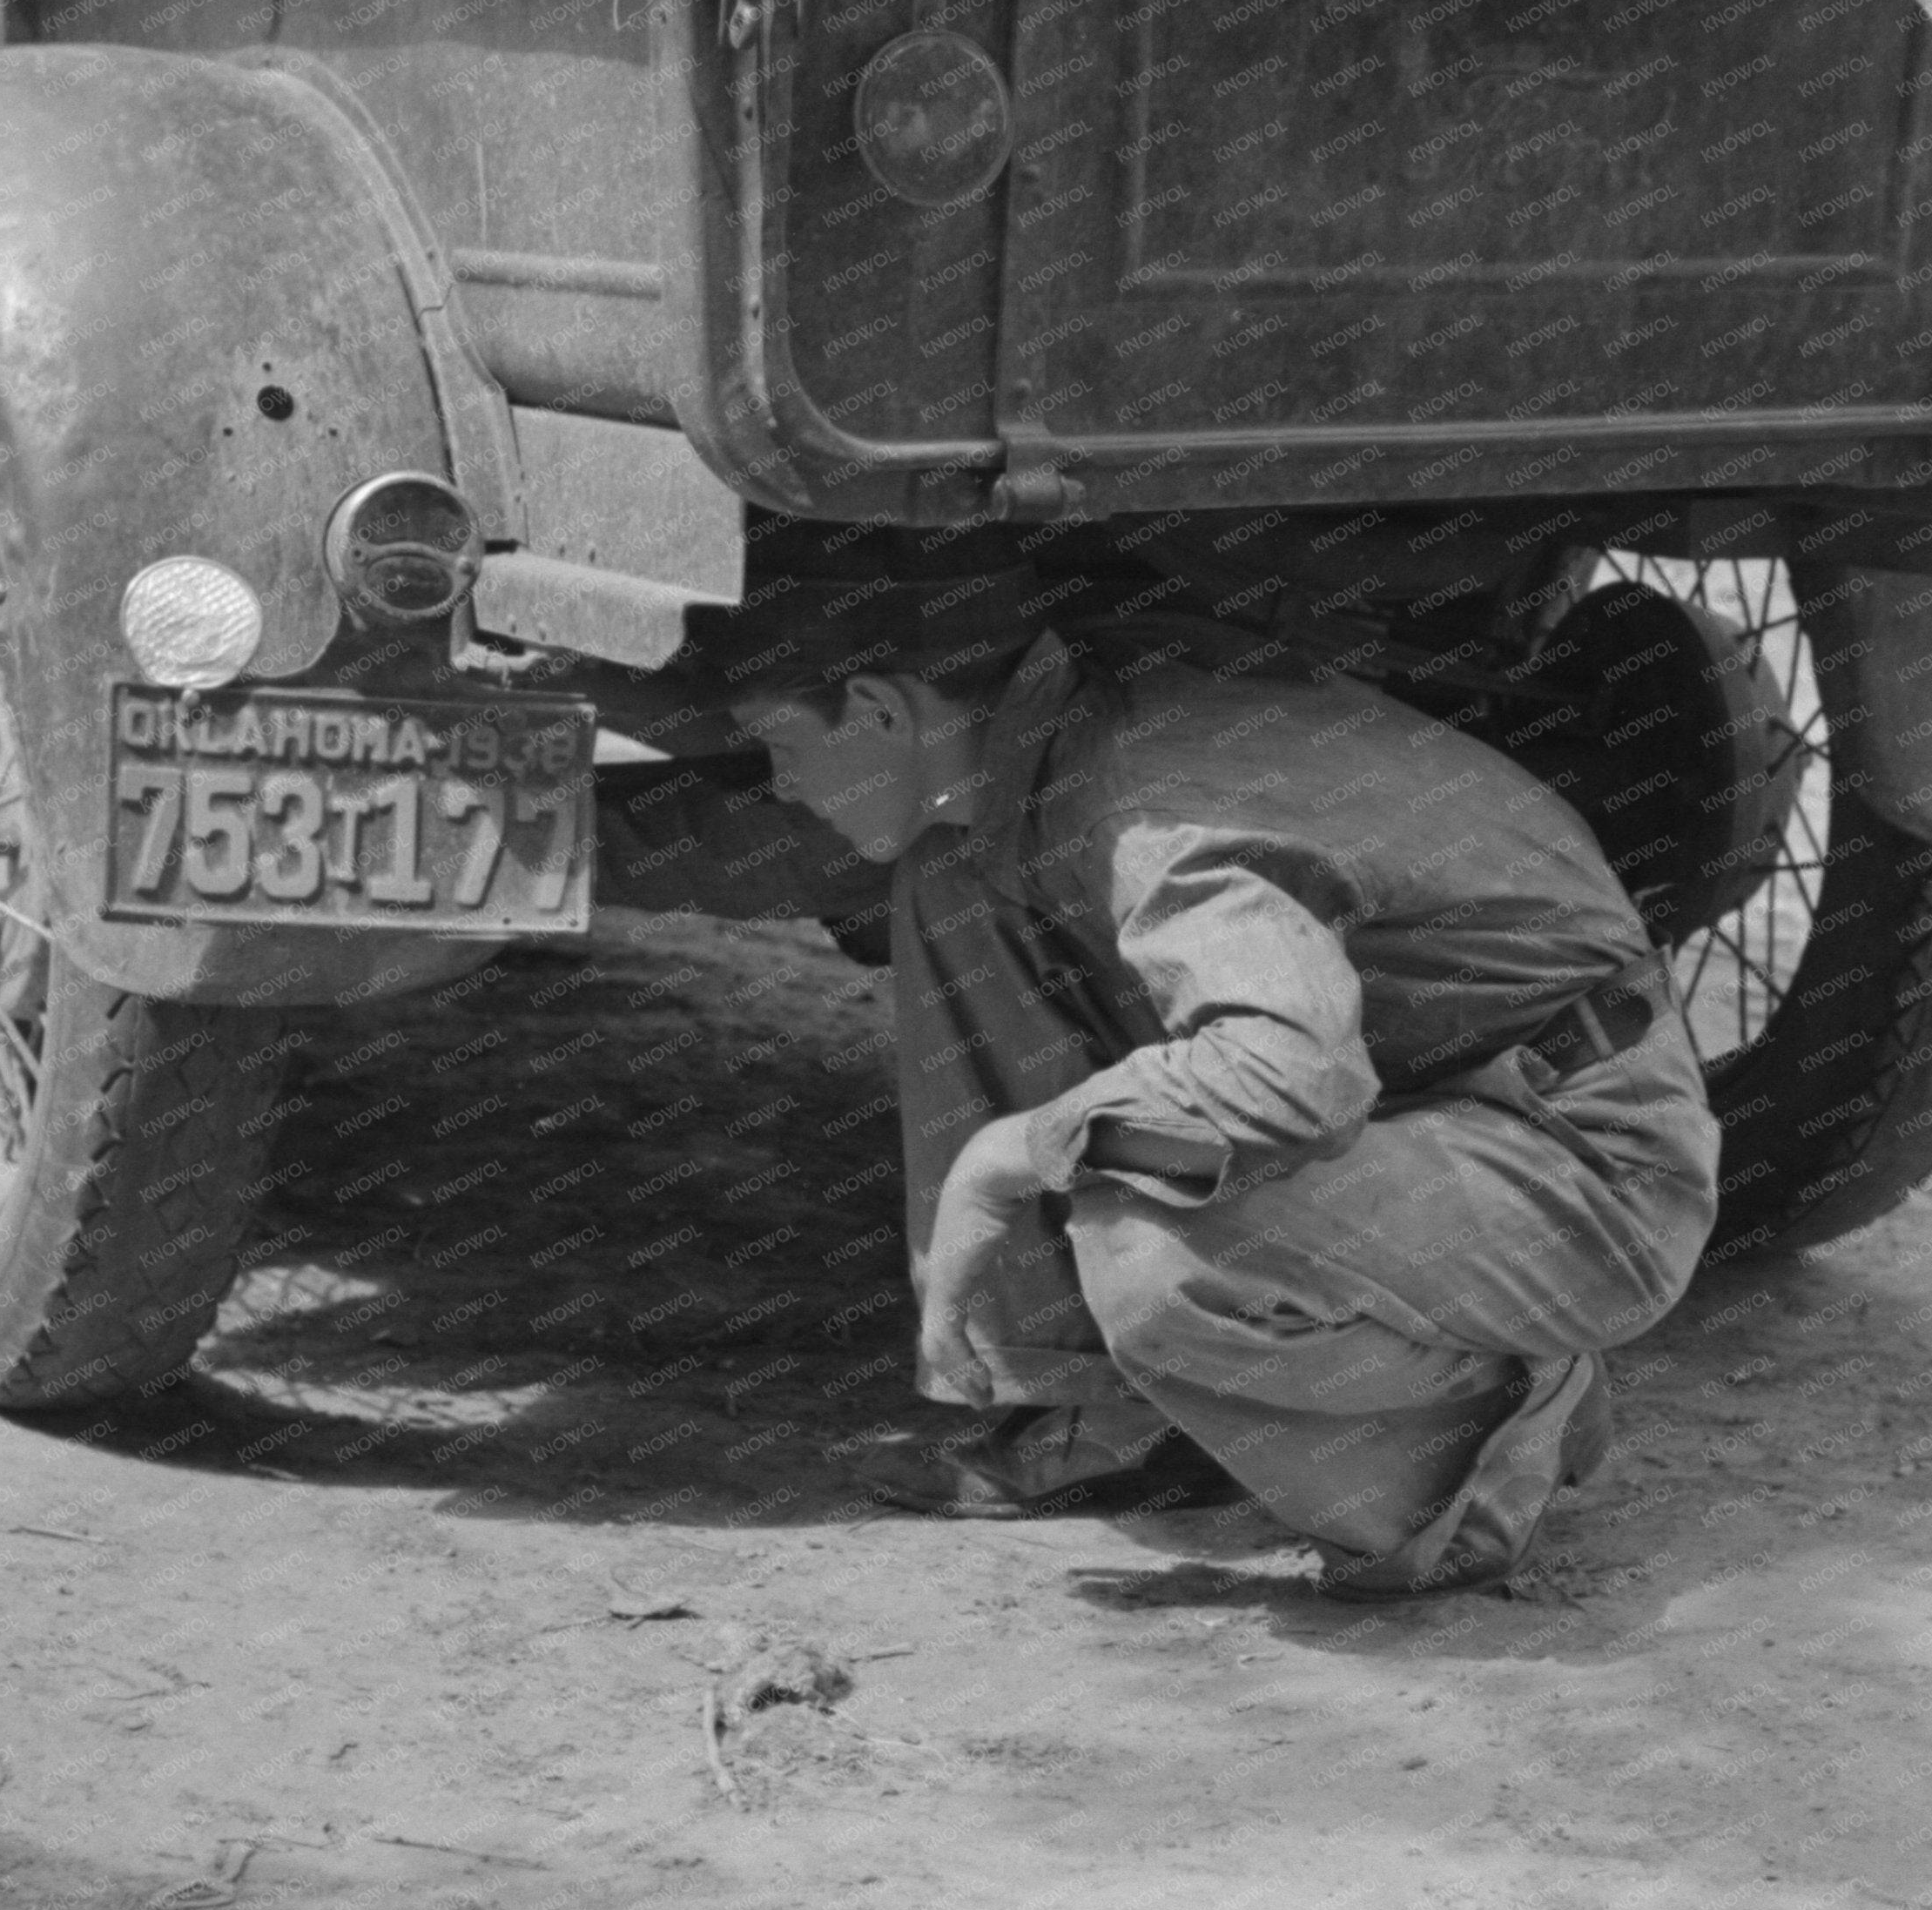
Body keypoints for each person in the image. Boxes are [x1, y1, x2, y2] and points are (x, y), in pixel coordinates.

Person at [668, 582, 1720, 1599]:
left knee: (1149, 1252)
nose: (782, 784)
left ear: (877, 708)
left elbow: (1296, 1078)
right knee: (956, 880)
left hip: (1586, 1160)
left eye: (779, 745)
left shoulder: (1145, 811)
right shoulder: (1064, 726)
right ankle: (1097, 1414)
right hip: (1433, 1103)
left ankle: (1495, 1426)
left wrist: (1011, 1156)